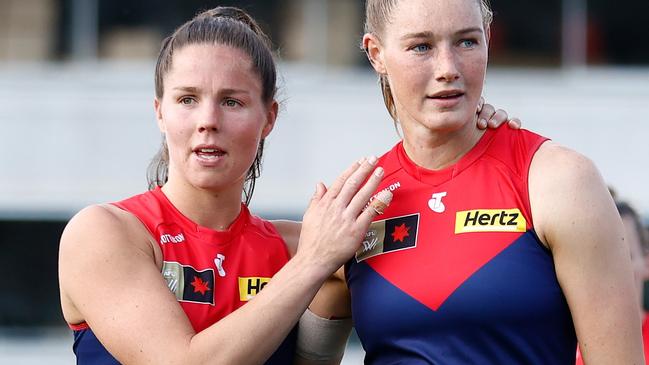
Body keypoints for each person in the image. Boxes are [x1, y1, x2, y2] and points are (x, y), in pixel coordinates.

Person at [57, 6, 514, 365]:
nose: (208, 122)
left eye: (232, 102)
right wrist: (314, 262)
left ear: (268, 119)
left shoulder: (302, 248)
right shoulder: (106, 233)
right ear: (159, 111)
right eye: (187, 100)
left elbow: (457, 256)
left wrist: (473, 131)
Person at [299, 0, 645, 364]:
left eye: (466, 42)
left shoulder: (560, 181)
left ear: (488, 39)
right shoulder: (352, 207)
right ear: (376, 54)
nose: (448, 68)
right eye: (422, 47)